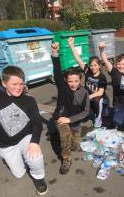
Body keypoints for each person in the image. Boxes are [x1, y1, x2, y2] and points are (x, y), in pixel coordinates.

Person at [0, 41, 48, 195]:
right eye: (14, 84)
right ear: (4, 83)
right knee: (19, 174)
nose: (18, 87)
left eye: (21, 84)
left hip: (25, 138)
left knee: (35, 156)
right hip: (7, 144)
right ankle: (14, 157)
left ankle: (38, 177)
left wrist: (34, 142)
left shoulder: (29, 101)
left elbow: (37, 122)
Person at [51, 42, 90, 174]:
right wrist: (55, 53)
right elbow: (57, 71)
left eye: (76, 81)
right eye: (70, 81)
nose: (73, 84)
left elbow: (85, 112)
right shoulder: (62, 87)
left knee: (75, 145)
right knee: (65, 136)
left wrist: (71, 119)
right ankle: (66, 159)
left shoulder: (84, 92)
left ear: (80, 80)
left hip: (74, 121)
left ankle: (68, 139)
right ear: (65, 81)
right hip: (61, 118)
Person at [68, 37, 107, 127]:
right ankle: (91, 114)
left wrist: (88, 97)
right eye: (91, 65)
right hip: (88, 96)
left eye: (95, 65)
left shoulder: (102, 77)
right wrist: (71, 45)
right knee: (85, 115)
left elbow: (100, 92)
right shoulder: (87, 71)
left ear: (99, 66)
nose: (93, 67)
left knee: (97, 101)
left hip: (97, 97)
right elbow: (78, 59)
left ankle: (98, 117)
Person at [99, 42, 124, 130]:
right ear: (116, 64)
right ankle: (114, 115)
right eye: (119, 64)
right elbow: (105, 61)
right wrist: (101, 50)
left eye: (123, 64)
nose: (121, 66)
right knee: (117, 123)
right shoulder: (114, 72)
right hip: (118, 104)